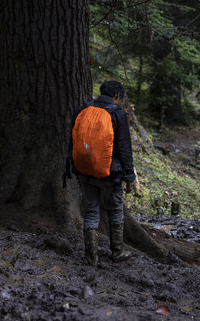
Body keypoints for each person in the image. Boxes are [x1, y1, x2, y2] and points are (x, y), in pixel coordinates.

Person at [70, 81, 136, 266]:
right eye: (120, 99)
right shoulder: (117, 114)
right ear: (116, 96)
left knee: (91, 210)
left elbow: (73, 139)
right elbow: (124, 148)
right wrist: (129, 176)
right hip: (110, 173)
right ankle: (117, 252)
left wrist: (71, 166)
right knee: (115, 209)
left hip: (84, 170)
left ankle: (91, 256)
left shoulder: (84, 109)